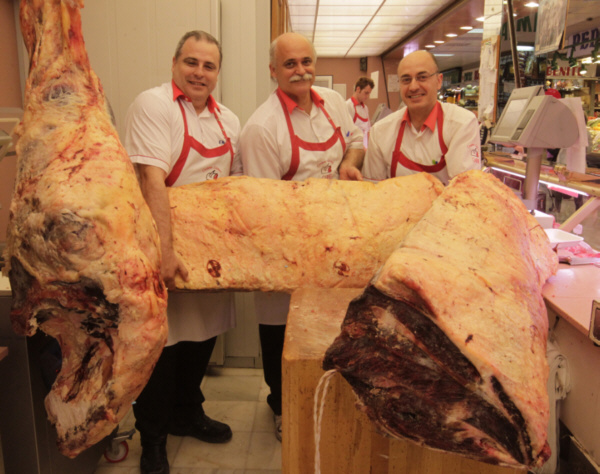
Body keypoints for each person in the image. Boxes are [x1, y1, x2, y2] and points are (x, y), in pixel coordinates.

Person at [124, 30, 241, 474]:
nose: (199, 72)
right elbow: (152, 182)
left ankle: (187, 413)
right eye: (191, 62)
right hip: (163, 245)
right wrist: (165, 252)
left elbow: (237, 189)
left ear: (217, 72)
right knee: (160, 348)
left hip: (210, 255)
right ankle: (152, 438)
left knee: (202, 337)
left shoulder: (228, 119)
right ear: (175, 63)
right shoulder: (154, 105)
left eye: (209, 65)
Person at [239, 32, 364, 441]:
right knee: (282, 330)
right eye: (290, 64)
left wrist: (349, 163)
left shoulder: (335, 105)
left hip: (336, 241)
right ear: (273, 71)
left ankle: (325, 396)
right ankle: (281, 404)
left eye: (306, 62)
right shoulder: (262, 127)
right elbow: (265, 205)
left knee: (329, 327)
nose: (300, 70)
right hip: (284, 248)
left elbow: (357, 141)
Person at [362, 50, 481, 185]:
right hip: (396, 206)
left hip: (448, 205)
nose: (413, 87)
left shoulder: (462, 123)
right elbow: (373, 190)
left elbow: (464, 191)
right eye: (406, 80)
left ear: (438, 80)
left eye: (422, 77)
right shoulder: (380, 131)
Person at [346, 76, 374, 148]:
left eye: (369, 93)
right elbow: (347, 132)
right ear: (358, 89)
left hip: (364, 148)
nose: (367, 96)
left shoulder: (365, 108)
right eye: (366, 93)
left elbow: (368, 130)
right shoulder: (348, 106)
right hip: (353, 148)